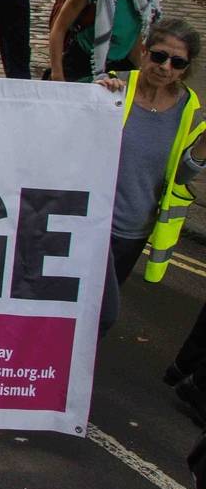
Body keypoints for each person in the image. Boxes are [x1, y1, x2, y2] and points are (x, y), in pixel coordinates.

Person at [92, 21, 206, 337]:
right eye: (159, 56)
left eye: (177, 62)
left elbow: (182, 175)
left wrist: (204, 145)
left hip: (133, 232)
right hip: (90, 223)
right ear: (143, 51)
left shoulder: (190, 108)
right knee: (101, 315)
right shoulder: (112, 88)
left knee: (93, 321)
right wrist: (95, 98)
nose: (165, 67)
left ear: (185, 69)